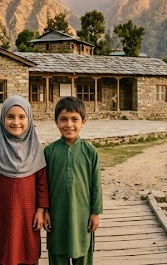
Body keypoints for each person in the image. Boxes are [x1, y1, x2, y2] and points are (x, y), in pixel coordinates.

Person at [0, 96, 49, 265]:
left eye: (21, 117)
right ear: (2, 118)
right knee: (3, 250)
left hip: (28, 216)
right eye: (10, 116)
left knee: (28, 249)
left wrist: (41, 211)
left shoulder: (35, 149)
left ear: (30, 119)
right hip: (2, 215)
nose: (16, 122)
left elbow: (42, 184)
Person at [43, 97, 102, 265]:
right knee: (57, 252)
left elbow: (96, 185)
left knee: (82, 251)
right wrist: (45, 211)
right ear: (56, 122)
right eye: (63, 119)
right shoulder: (49, 152)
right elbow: (44, 185)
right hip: (56, 214)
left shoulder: (90, 152)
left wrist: (95, 213)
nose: (69, 125)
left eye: (74, 119)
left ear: (83, 122)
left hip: (82, 215)